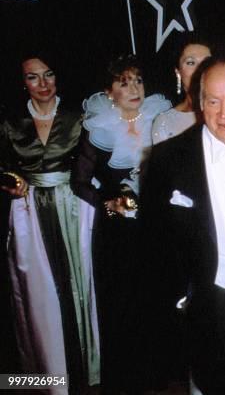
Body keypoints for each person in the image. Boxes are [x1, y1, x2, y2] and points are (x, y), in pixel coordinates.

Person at [138, 56, 225, 394]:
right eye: (213, 101)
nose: (224, 113)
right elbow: (154, 243)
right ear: (200, 103)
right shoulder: (167, 159)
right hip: (207, 307)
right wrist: (176, 305)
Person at [71, 54, 170, 392]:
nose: (134, 88)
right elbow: (79, 182)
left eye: (138, 80)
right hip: (116, 230)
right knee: (120, 305)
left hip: (153, 227)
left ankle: (154, 376)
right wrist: (107, 203)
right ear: (108, 91)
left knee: (153, 300)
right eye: (123, 82)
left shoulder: (159, 118)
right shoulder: (99, 126)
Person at [1, 55, 100, 393]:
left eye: (49, 75)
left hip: (74, 209)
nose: (43, 85)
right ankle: (47, 375)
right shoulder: (9, 122)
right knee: (38, 294)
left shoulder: (80, 117)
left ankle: (85, 372)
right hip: (28, 212)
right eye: (33, 78)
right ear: (22, 82)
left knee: (80, 288)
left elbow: (97, 164)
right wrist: (10, 180)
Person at [151, 38, 212, 144]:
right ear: (178, 72)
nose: (200, 70)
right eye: (191, 62)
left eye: (206, 62)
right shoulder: (164, 122)